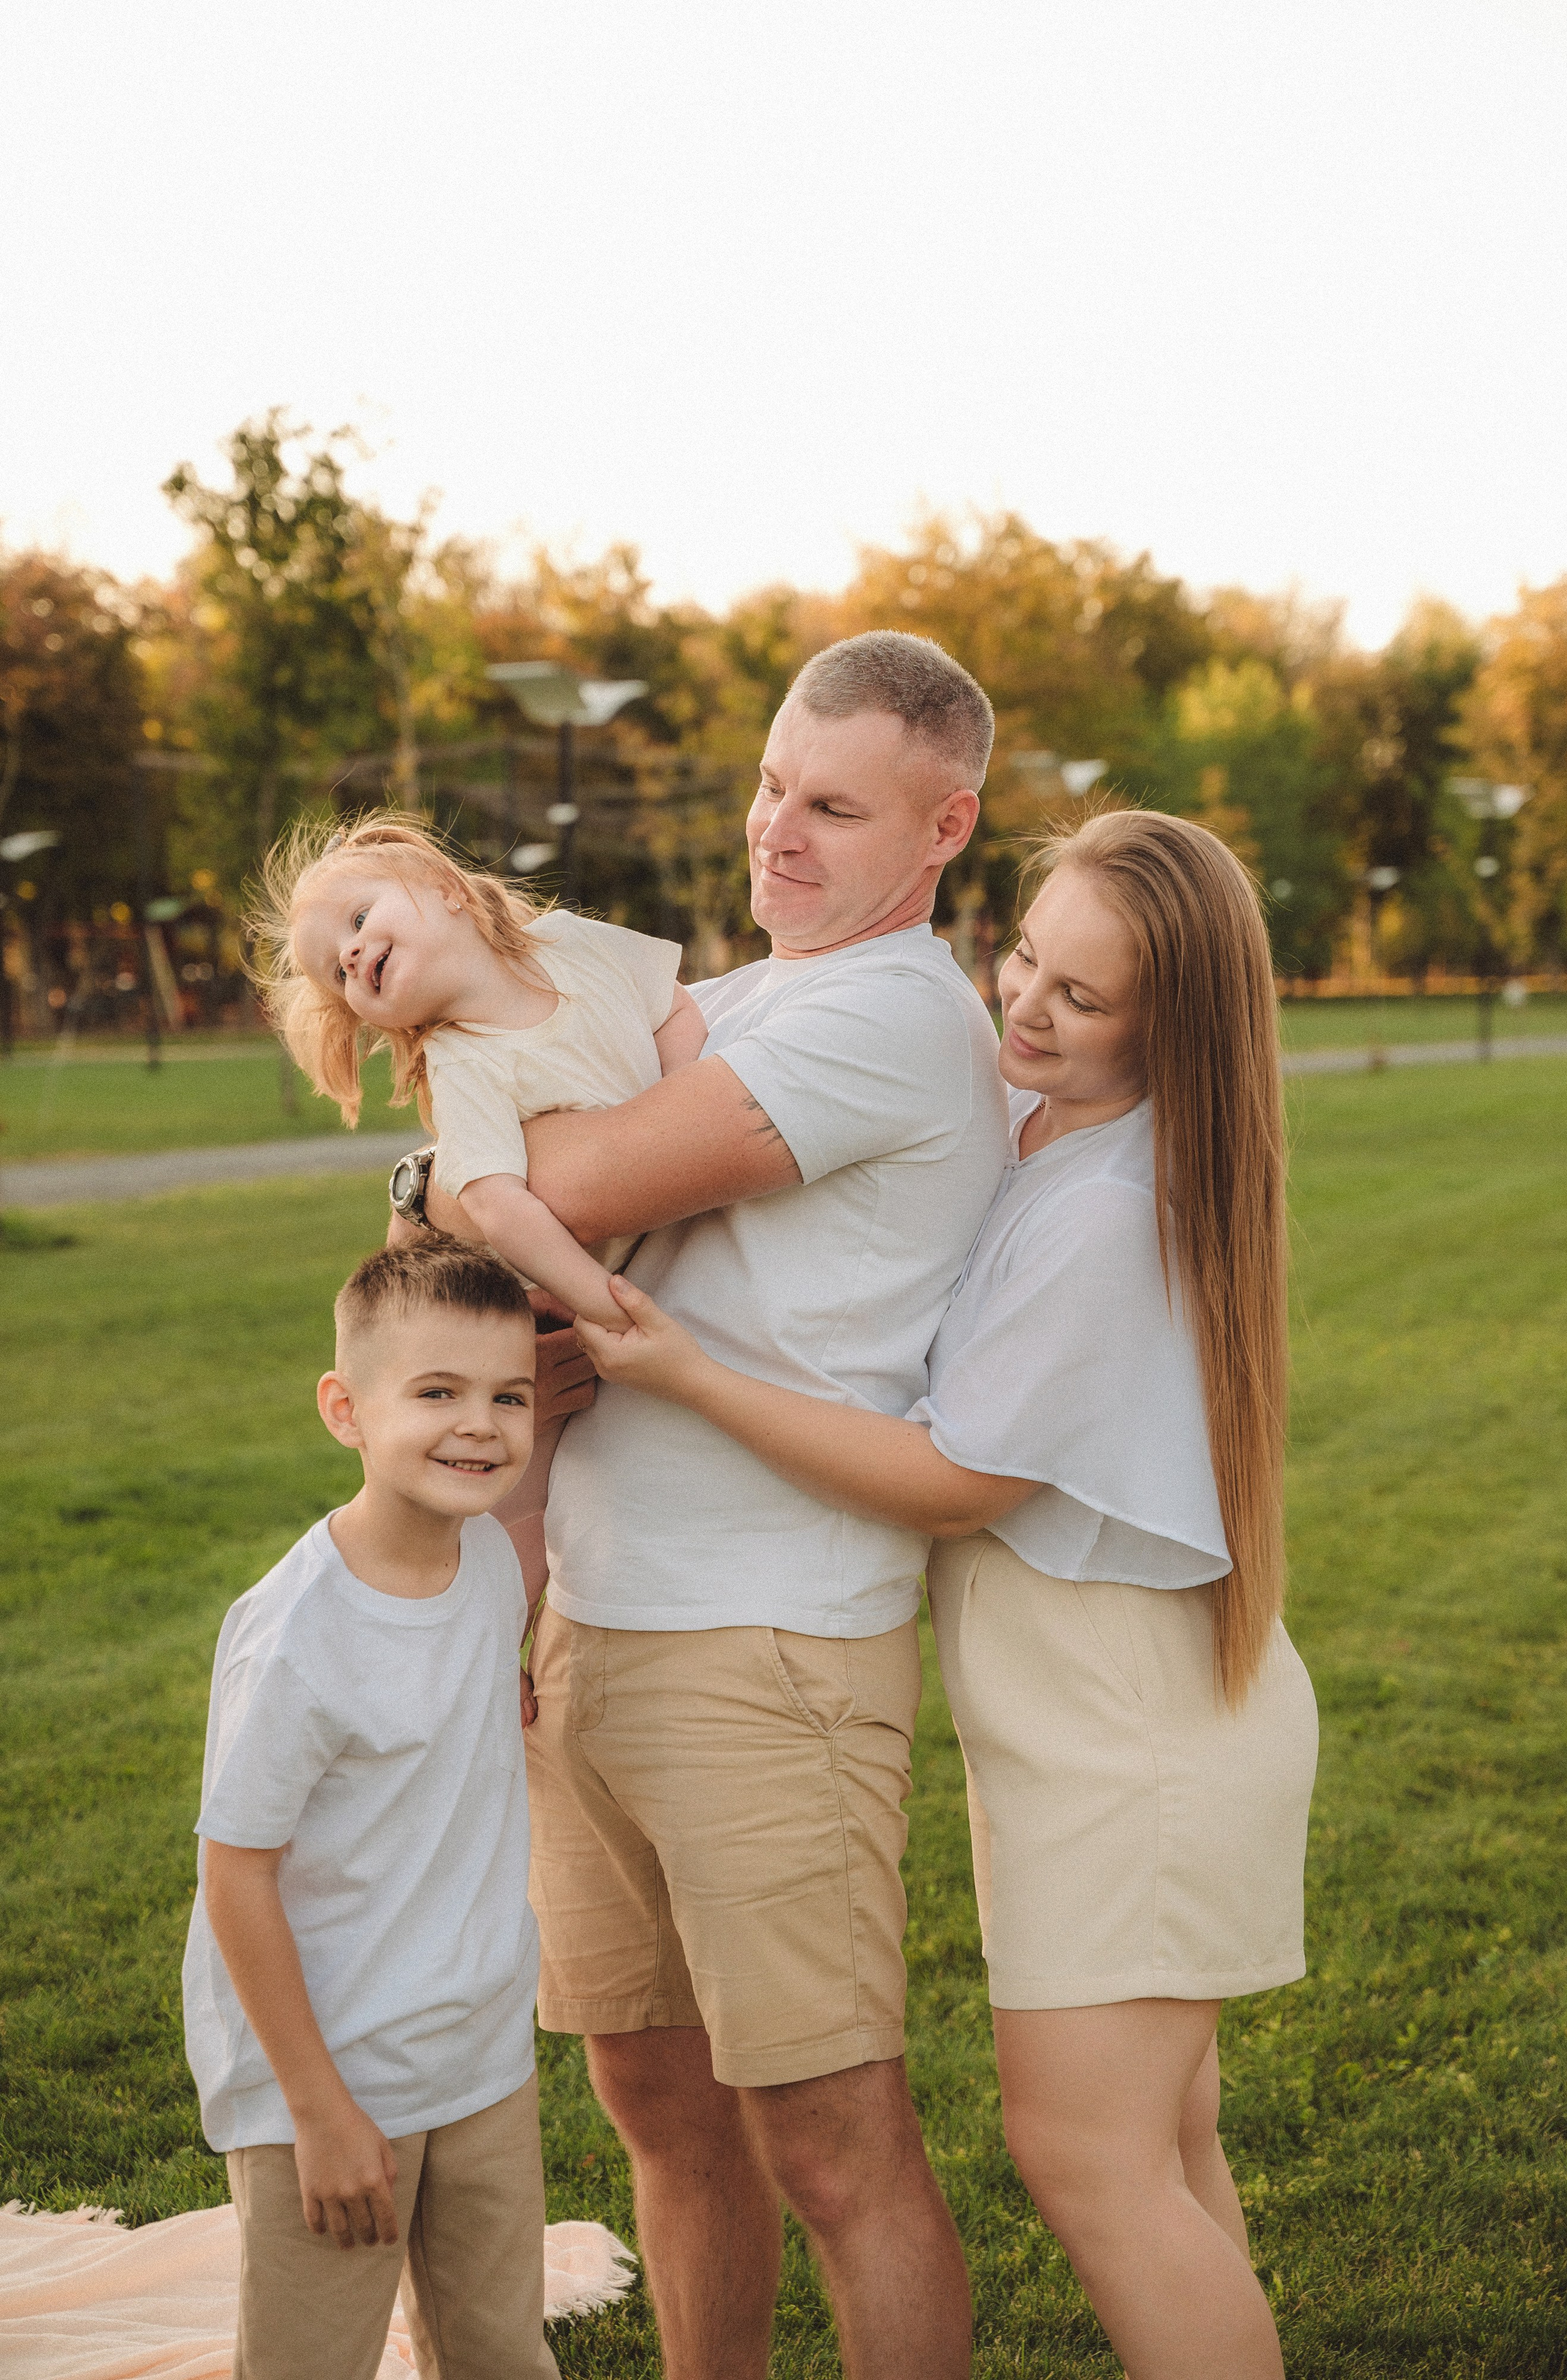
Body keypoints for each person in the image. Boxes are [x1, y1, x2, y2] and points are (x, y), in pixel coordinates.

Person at [573, 808, 1319, 2380]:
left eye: (1078, 995)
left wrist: (687, 1371)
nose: (1022, 1005)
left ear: (1168, 1025)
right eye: (1022, 955)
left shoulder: (1115, 1207)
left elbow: (953, 1477)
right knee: (1160, 2156)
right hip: (1094, 1716)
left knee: (1090, 2161)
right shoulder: (1042, 1118)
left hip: (1129, 1738)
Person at [401, 629, 1007, 2380]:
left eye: (832, 805)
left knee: (834, 2143)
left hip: (769, 1648)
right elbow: (455, 1221)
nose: (778, 833)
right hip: (587, 1620)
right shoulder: (734, 1007)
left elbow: (549, 1177)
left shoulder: (893, 1014)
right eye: (767, 783)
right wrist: (471, 1202)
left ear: (944, 825)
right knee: (659, 2114)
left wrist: (481, 1181)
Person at [182, 1237, 560, 2380]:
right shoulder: (297, 1638)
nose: (479, 1426)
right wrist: (319, 2110)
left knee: (499, 2350)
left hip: (483, 2053)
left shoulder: (490, 1560)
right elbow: (235, 1874)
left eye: (509, 1397)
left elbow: (459, 1693)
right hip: (334, 2080)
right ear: (345, 1410)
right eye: (436, 1393)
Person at [250, 812, 706, 1589]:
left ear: (446, 888)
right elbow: (497, 1205)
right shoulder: (464, 1064)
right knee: (513, 1492)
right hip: (531, 1304)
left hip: (607, 1266)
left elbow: (674, 1008)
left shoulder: (575, 942)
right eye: (338, 971)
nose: (354, 953)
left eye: (359, 920)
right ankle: (496, 1643)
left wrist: (664, 1122)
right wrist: (598, 1299)